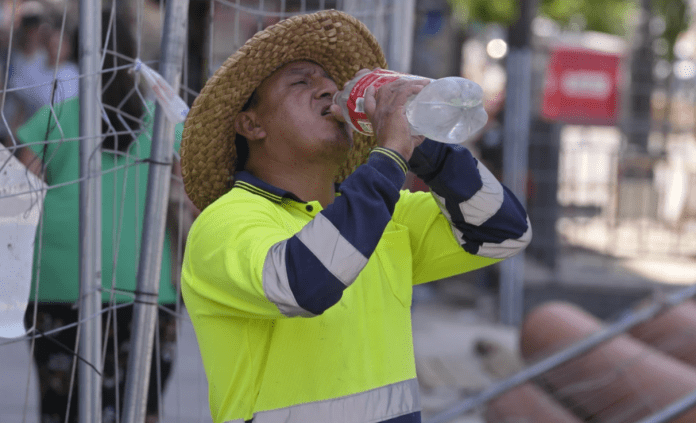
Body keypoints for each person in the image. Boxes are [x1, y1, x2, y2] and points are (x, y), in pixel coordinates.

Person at [179, 10, 531, 423]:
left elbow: (506, 233)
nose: (328, 89)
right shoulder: (226, 222)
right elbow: (303, 284)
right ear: (251, 124)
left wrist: (427, 149)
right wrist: (390, 155)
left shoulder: (383, 212)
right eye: (301, 81)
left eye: (329, 80)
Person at [19, 10, 181, 423]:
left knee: (62, 409)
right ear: (132, 54)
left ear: (76, 51)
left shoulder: (57, 115)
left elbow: (18, 192)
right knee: (139, 409)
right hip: (142, 279)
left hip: (58, 277)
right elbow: (196, 190)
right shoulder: (162, 120)